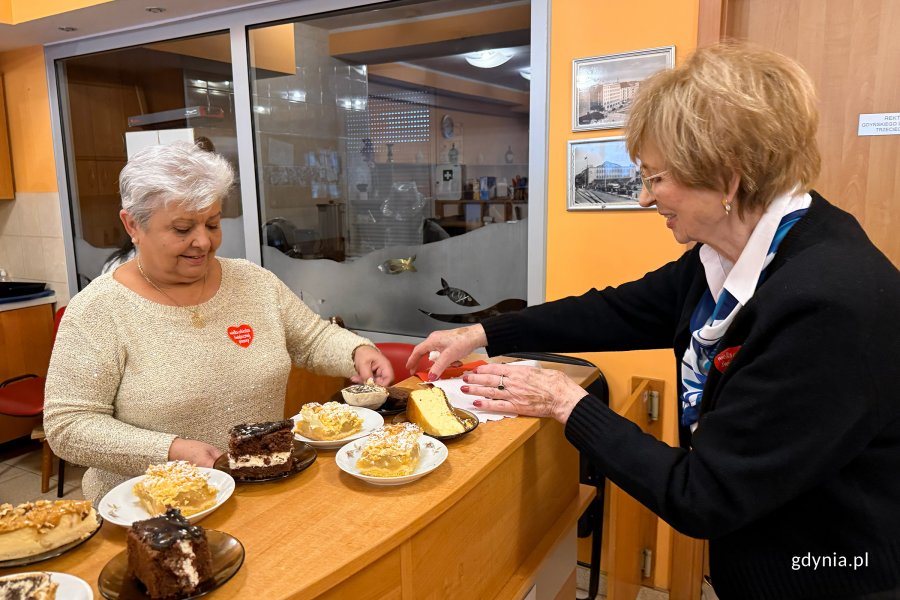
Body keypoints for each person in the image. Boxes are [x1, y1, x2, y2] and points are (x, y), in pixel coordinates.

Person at [408, 43, 900, 600]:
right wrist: (482, 331)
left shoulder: (827, 303)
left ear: (727, 178)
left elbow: (704, 494)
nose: (643, 198)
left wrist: (567, 403)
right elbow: (618, 310)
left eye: (655, 178)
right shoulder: (731, 255)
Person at [44, 142, 393, 503]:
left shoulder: (253, 282)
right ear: (132, 224)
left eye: (212, 223)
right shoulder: (98, 310)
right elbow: (68, 425)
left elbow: (311, 338)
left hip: (259, 489)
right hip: (150, 514)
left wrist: (356, 351)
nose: (203, 241)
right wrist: (171, 450)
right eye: (182, 229)